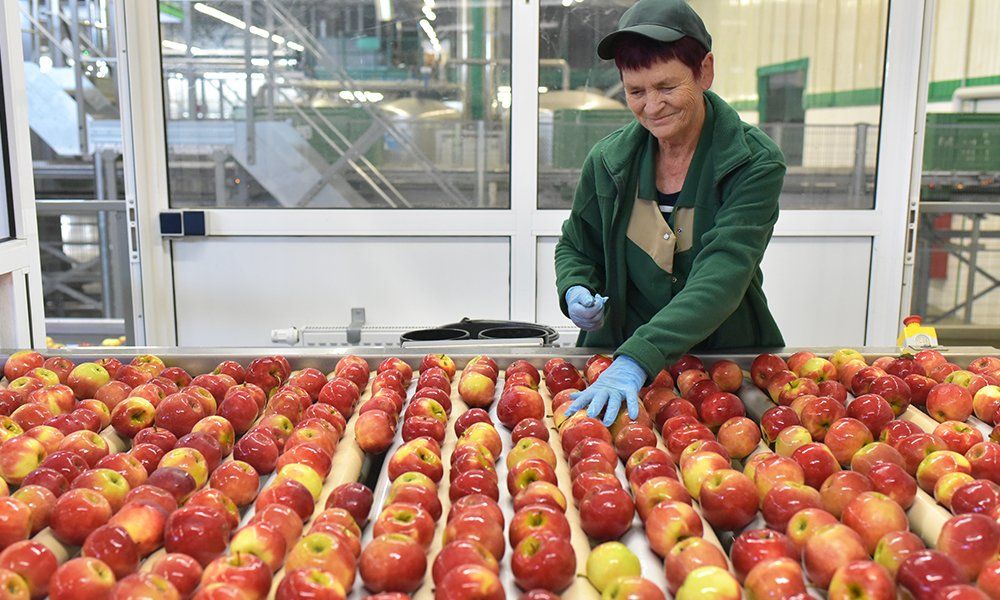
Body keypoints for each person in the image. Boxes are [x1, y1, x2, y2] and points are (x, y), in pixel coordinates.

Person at [558, 0, 786, 426]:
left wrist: (637, 359)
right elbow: (577, 244)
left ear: (705, 72)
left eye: (666, 87)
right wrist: (574, 287)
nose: (651, 106)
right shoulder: (609, 161)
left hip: (718, 366)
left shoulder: (753, 162)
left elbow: (723, 274)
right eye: (635, 91)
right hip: (618, 366)